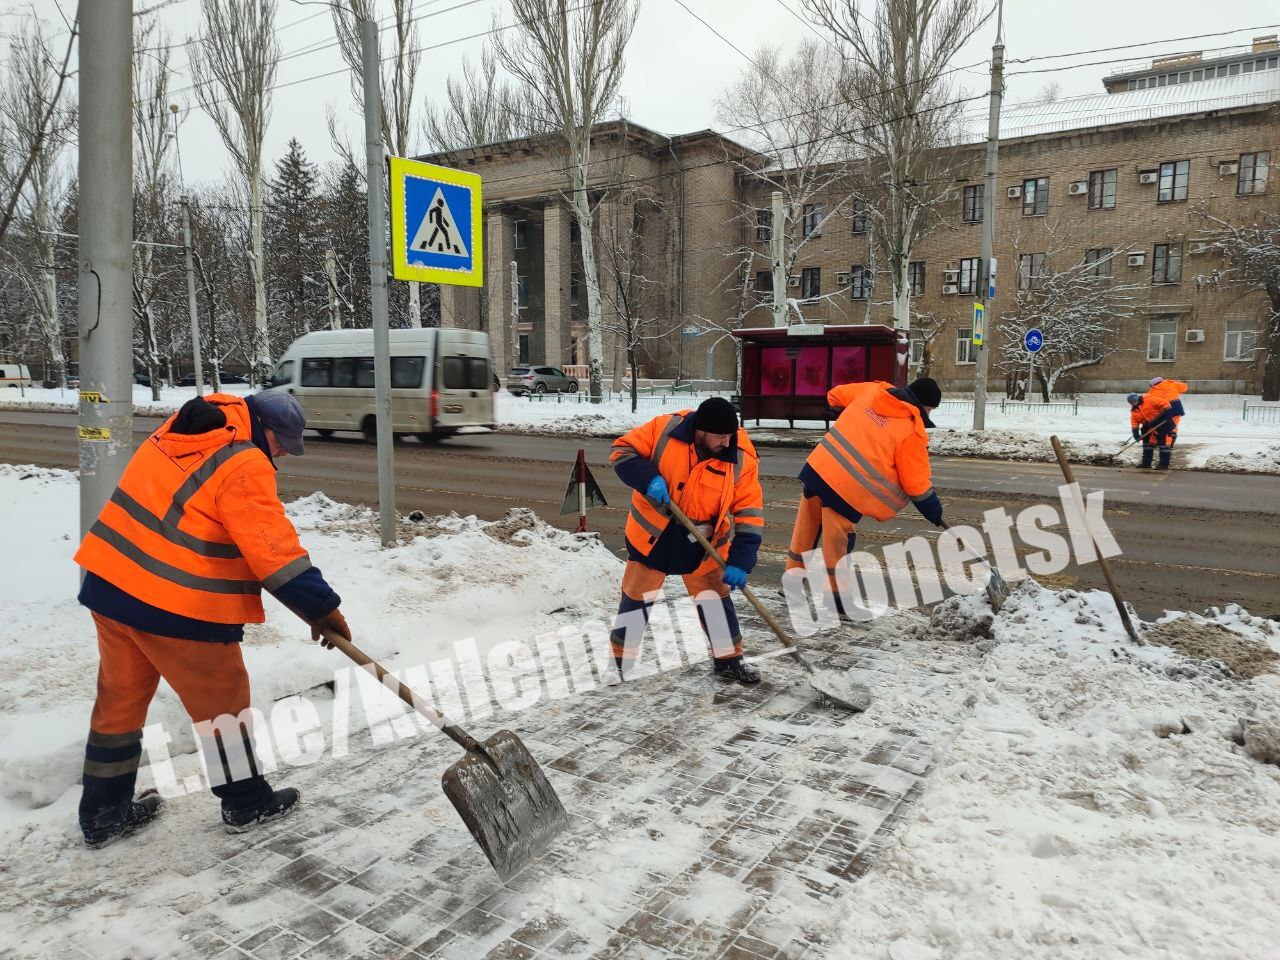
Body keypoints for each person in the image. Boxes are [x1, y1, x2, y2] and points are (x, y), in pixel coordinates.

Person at [73, 391, 353, 848]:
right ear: (263, 428)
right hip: (176, 606)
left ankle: (103, 814)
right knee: (223, 707)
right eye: (281, 444)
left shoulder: (179, 431)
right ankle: (246, 802)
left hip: (112, 586)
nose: (282, 454)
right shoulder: (242, 463)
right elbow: (273, 551)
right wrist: (323, 609)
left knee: (119, 702)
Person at [609, 397, 765, 684]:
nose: (726, 442)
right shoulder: (665, 430)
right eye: (720, 436)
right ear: (700, 431)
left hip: (704, 542)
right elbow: (622, 450)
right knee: (636, 597)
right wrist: (647, 478)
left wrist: (742, 561)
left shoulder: (741, 454)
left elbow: (750, 510)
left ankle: (729, 661)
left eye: (730, 435)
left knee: (714, 597)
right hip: (653, 534)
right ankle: (620, 661)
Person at [785, 377, 944, 618]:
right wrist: (934, 510)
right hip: (846, 491)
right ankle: (837, 603)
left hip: (819, 469)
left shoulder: (873, 391)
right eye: (930, 409)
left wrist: (850, 415)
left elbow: (835, 395)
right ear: (924, 405)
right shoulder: (911, 431)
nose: (928, 414)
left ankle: (791, 584)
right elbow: (916, 484)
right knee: (838, 545)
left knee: (807, 530)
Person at [1128, 376, 1187, 470]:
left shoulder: (1149, 397)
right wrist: (1135, 433)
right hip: (1152, 424)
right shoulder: (1134, 411)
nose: (1134, 403)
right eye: (1133, 403)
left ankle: (1163, 464)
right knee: (1148, 444)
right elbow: (1134, 422)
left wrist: (1167, 413)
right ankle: (1146, 463)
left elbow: (1165, 404)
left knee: (1164, 444)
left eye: (1135, 401)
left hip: (1163, 421)